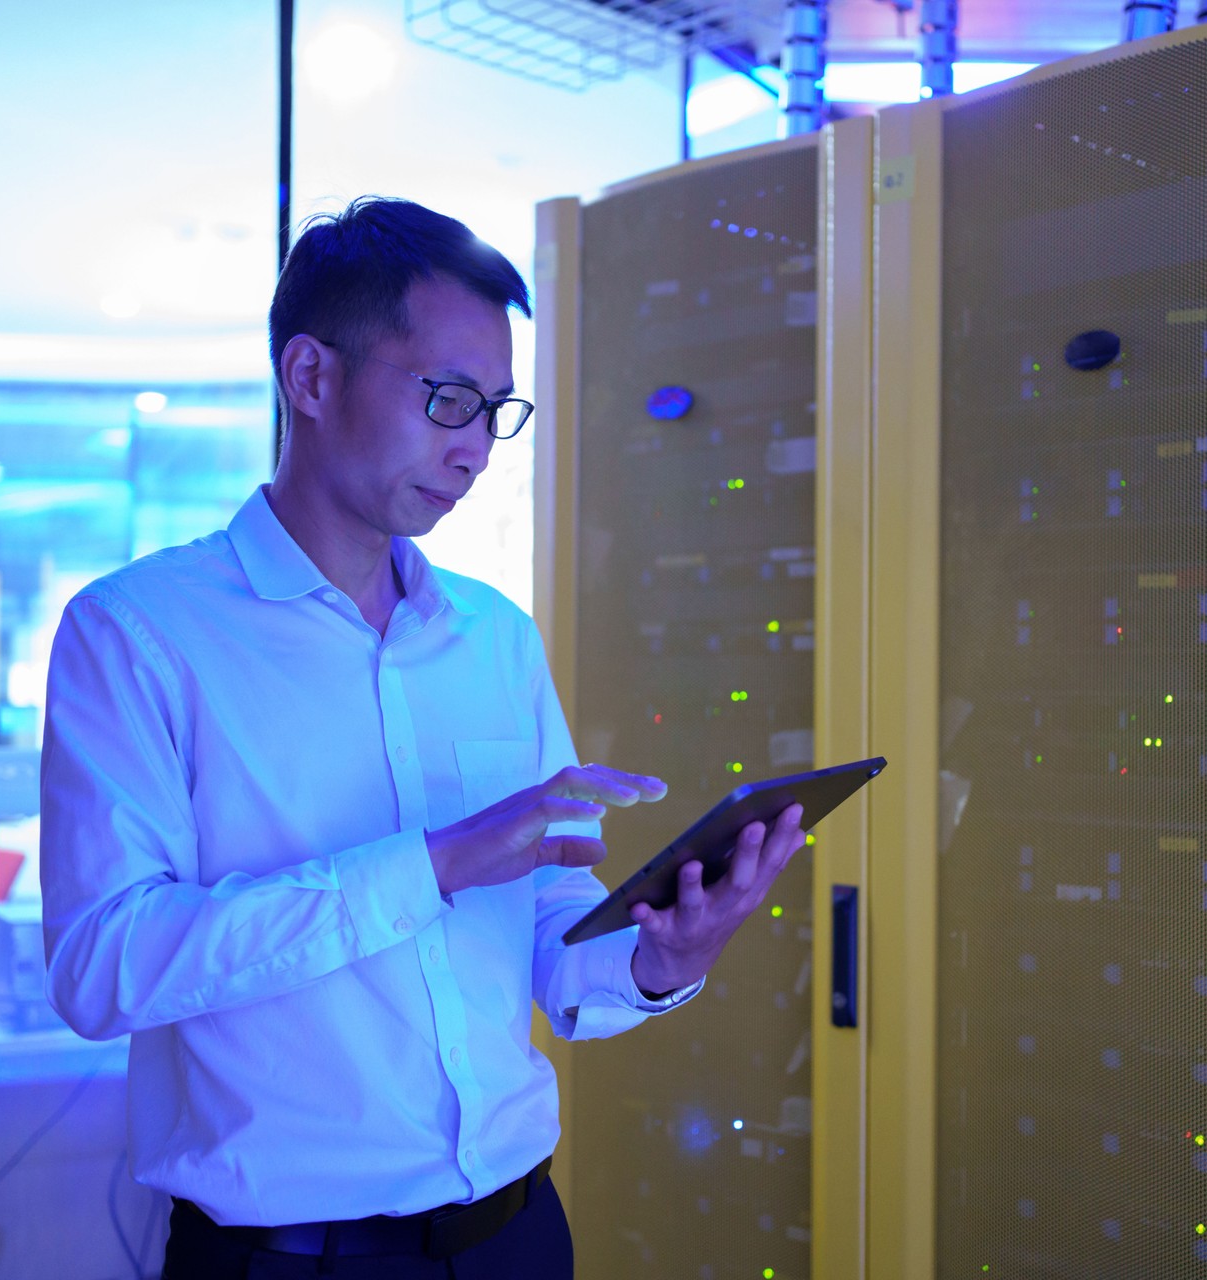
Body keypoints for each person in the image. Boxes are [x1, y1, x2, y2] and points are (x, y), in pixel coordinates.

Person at [39, 196, 805, 1279]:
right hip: (290, 1259)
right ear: (310, 378)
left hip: (519, 1234)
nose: (475, 451)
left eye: (497, 411)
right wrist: (433, 863)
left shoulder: (495, 635)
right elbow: (98, 967)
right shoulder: (139, 633)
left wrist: (659, 956)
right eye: (448, 400)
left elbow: (548, 929)